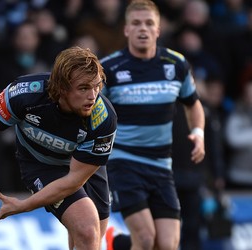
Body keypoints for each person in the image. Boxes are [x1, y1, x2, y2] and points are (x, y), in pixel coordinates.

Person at [0, 46, 117, 250]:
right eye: (83, 88)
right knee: (87, 228)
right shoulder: (23, 94)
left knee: (91, 240)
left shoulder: (104, 118)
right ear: (62, 88)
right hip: (41, 163)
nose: (93, 96)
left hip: (83, 165)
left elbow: (74, 180)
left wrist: (24, 205)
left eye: (96, 86)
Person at [100, 0, 206, 249]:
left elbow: (193, 104)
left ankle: (117, 243)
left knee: (167, 245)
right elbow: (91, 113)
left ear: (158, 30)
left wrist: (198, 133)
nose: (143, 29)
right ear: (126, 29)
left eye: (149, 23)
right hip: (124, 162)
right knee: (146, 238)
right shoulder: (109, 69)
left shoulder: (176, 64)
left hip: (161, 165)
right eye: (136, 23)